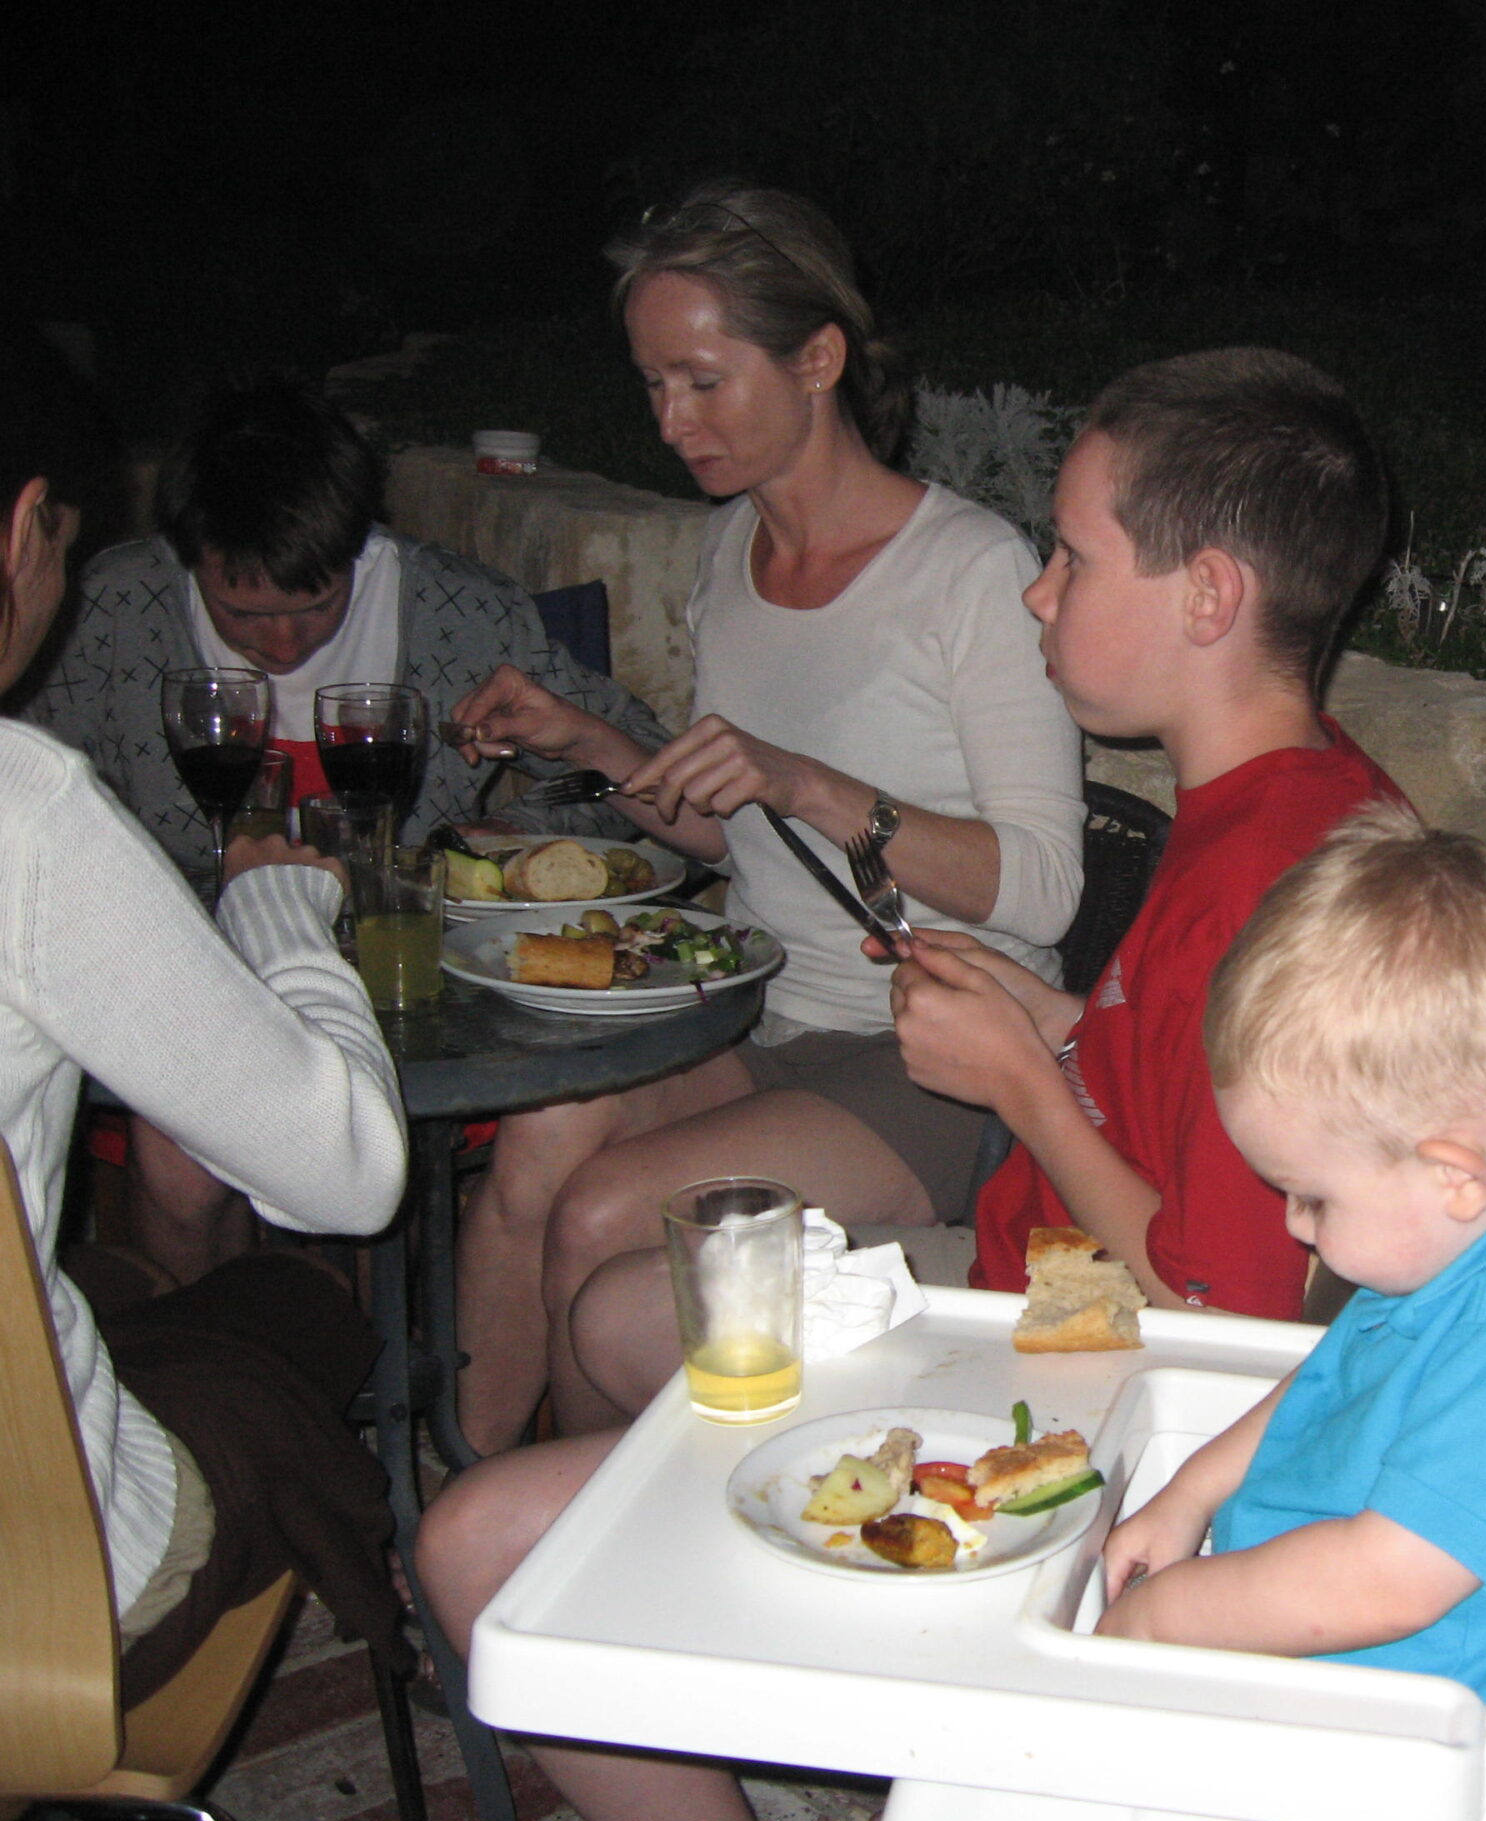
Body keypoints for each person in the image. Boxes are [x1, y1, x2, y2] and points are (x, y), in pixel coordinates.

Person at [416, 345, 1404, 1821]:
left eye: (1073, 558)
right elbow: (1193, 1088)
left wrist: (1019, 1085)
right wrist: (1054, 1023)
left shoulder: (1276, 883)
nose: (1037, 593)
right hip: (1042, 1296)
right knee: (617, 1314)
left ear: (1209, 596)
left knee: (478, 1545)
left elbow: (1228, 1306)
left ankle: (815, 1713)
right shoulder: (1283, 800)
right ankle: (786, 1655)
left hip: (1093, 1381)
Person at [442, 183, 1083, 1454]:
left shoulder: (967, 570)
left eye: (702, 380)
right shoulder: (728, 549)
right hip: (763, 1016)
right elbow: (730, 832)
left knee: (604, 1214)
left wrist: (808, 782)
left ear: (817, 360)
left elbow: (1044, 887)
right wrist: (593, 745)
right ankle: (470, 1499)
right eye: (651, 384)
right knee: (536, 1150)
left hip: (934, 1050)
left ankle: (588, 1531)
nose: (670, 422)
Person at [12, 371, 669, 1285]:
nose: (284, 647)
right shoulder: (115, 613)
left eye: (316, 607)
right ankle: (230, 1347)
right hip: (195, 985)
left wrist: (509, 828)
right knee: (178, 1156)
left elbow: (644, 781)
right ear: (187, 560)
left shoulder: (461, 614)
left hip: (412, 994)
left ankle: (356, 1338)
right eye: (242, 615)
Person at [0, 337, 412, 1717]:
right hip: (42, 1600)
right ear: (24, 530)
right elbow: (349, 1176)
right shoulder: (23, 814)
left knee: (134, 1290)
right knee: (286, 1318)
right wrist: (285, 907)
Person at [1096, 807, 1486, 1706]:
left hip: (1395, 1709)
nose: (1296, 1226)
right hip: (1325, 1640)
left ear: (1453, 1176)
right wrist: (1191, 1492)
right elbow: (1335, 1379)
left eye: (1313, 1196)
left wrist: (1163, 1617)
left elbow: (1384, 1584)